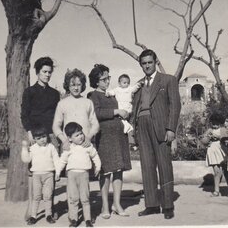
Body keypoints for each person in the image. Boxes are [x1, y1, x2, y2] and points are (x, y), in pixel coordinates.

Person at [131, 49, 181, 219]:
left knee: (164, 165)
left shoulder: (168, 80)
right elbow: (134, 109)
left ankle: (168, 206)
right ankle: (151, 205)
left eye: (149, 62)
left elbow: (175, 106)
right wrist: (133, 131)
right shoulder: (138, 85)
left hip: (160, 127)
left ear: (155, 62)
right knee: (147, 166)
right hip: (142, 127)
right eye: (143, 63)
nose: (147, 66)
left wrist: (171, 129)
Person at [88, 64, 132, 219]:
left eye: (108, 78)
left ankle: (117, 204)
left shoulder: (111, 95)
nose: (107, 81)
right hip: (104, 138)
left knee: (119, 170)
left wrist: (125, 114)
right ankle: (105, 206)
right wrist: (117, 111)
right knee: (106, 173)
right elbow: (97, 113)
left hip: (119, 136)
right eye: (103, 79)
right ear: (96, 81)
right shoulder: (93, 95)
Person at [21, 57, 60, 221]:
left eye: (49, 72)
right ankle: (32, 209)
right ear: (37, 72)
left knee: (50, 172)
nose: (47, 75)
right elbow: (24, 114)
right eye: (44, 72)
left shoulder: (54, 93)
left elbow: (57, 117)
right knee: (34, 173)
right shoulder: (29, 92)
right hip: (34, 135)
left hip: (51, 135)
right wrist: (30, 132)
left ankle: (49, 210)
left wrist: (56, 135)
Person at [56, 122, 101, 227]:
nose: (80, 136)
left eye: (81, 133)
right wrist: (58, 172)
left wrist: (98, 167)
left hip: (84, 175)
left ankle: (88, 219)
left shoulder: (87, 146)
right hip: (71, 176)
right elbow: (62, 161)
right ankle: (74, 219)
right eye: (77, 135)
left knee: (85, 198)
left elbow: (95, 156)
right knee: (73, 198)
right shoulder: (69, 148)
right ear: (70, 138)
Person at [21, 126, 60, 225]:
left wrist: (58, 172)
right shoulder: (33, 148)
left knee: (48, 196)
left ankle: (48, 215)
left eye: (44, 136)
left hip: (49, 175)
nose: (42, 140)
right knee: (36, 196)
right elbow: (27, 160)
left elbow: (56, 160)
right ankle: (33, 216)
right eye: (38, 138)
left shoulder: (51, 147)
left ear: (47, 136)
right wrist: (24, 148)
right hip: (36, 176)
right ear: (34, 139)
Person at [52, 68, 99, 149]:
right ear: (68, 86)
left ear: (83, 85)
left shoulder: (88, 102)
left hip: (85, 145)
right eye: (73, 85)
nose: (76, 88)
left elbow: (95, 124)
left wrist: (89, 137)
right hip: (69, 146)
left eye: (79, 84)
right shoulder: (62, 103)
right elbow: (56, 126)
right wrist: (64, 140)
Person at [201, 114, 228, 198]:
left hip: (221, 149)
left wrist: (217, 136)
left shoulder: (222, 130)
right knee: (217, 172)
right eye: (213, 123)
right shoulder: (209, 130)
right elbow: (203, 141)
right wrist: (207, 138)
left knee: (226, 171)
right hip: (212, 150)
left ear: (219, 123)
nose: (215, 125)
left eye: (216, 123)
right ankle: (216, 190)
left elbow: (227, 138)